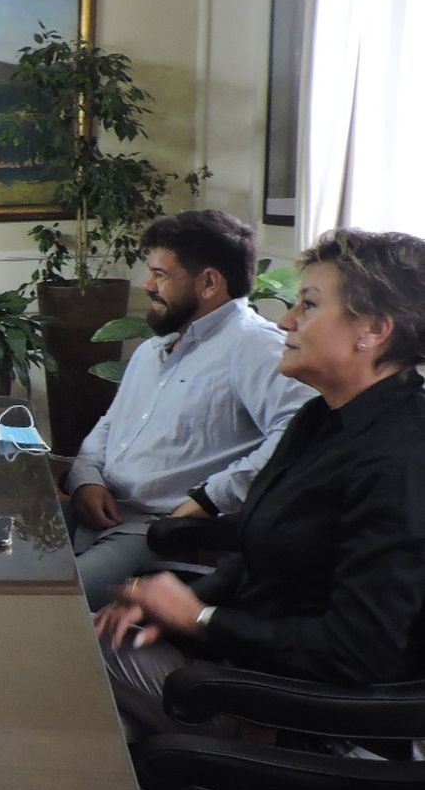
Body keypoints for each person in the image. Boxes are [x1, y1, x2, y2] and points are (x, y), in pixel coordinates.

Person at [97, 229, 425, 736]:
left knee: (65, 658)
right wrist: (172, 608)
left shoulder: (402, 457)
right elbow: (257, 555)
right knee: (94, 694)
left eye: (309, 305)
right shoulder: (319, 418)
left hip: (295, 712)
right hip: (238, 663)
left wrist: (201, 618)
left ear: (374, 330)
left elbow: (359, 653)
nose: (286, 320)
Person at [65, 210, 315, 609]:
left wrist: (211, 498)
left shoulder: (255, 347)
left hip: (155, 532)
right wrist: (86, 478)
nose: (147, 285)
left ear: (209, 282)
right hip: (97, 512)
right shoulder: (153, 349)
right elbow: (111, 424)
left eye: (161, 275)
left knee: (49, 603)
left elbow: (301, 430)